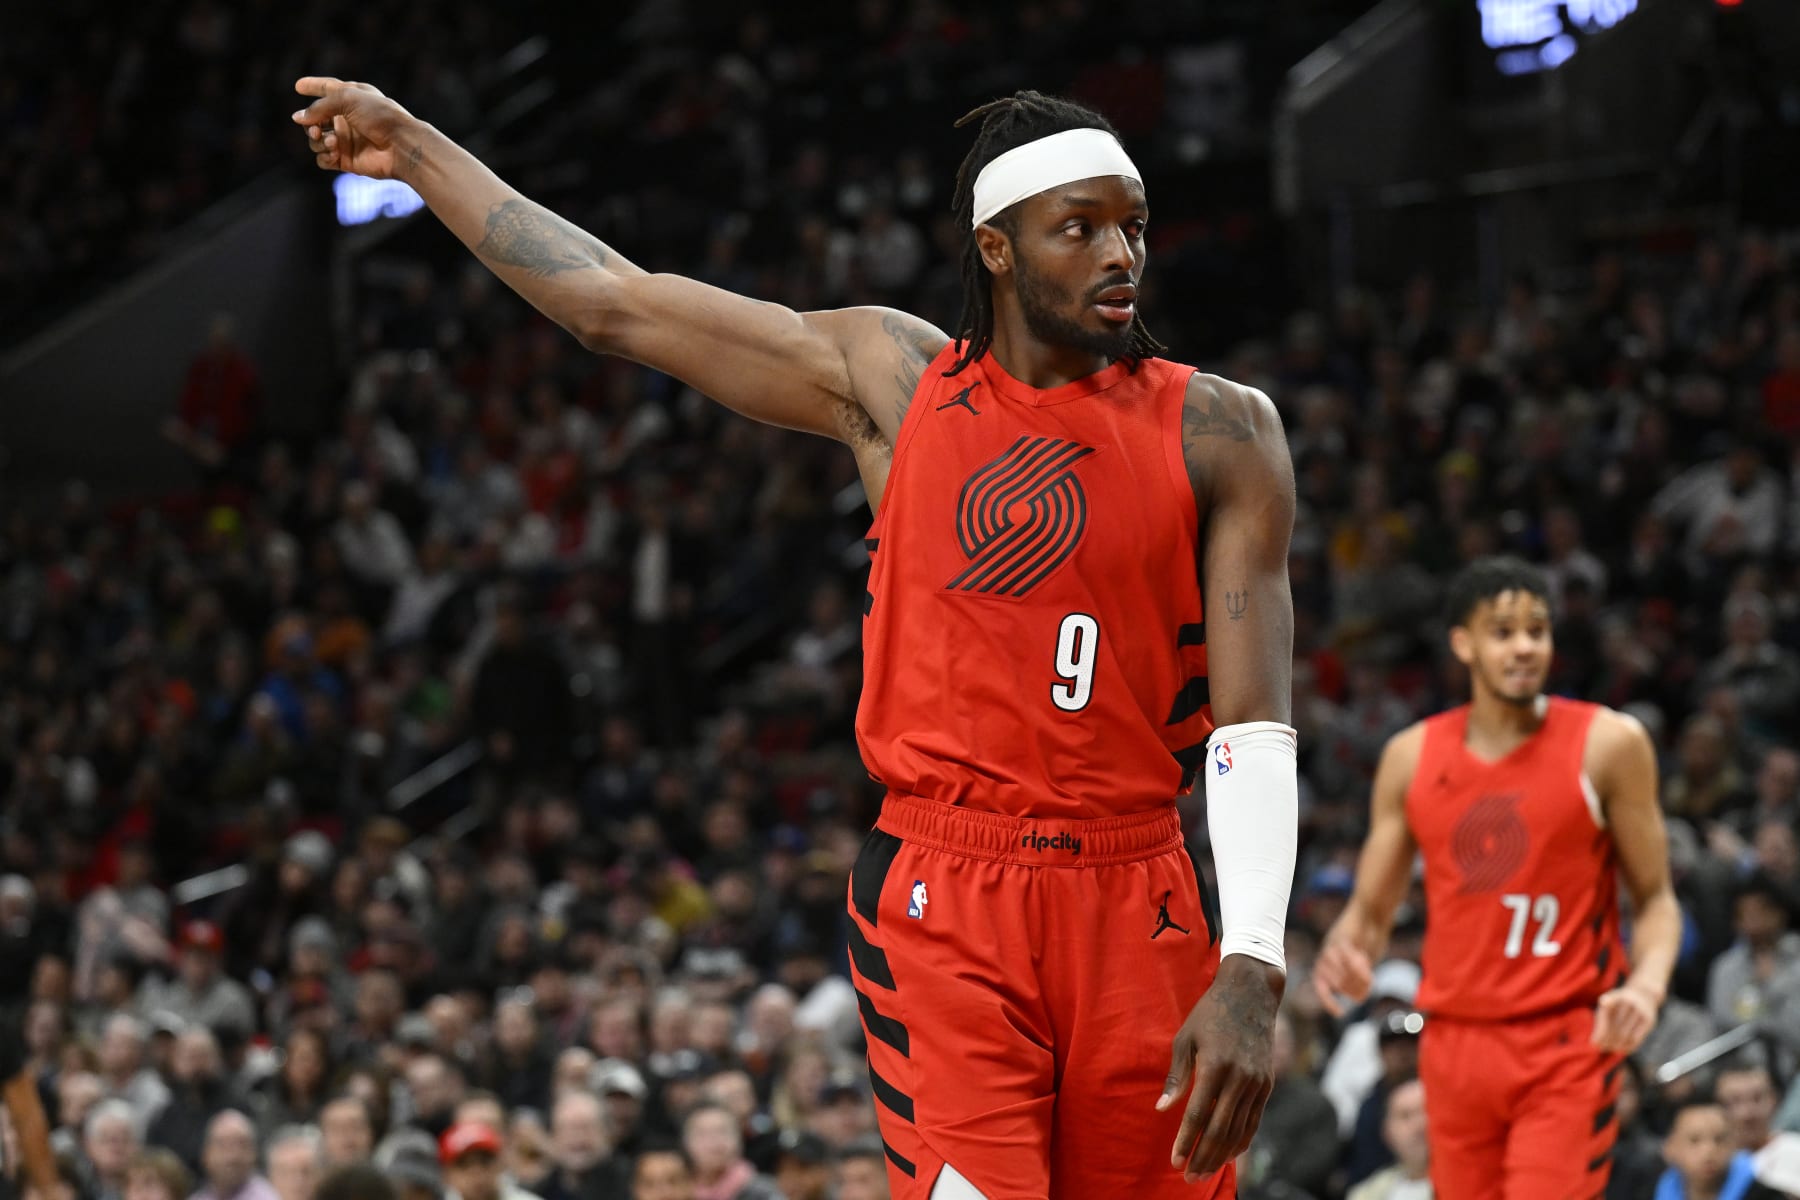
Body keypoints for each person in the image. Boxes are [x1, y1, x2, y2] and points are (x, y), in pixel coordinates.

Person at [293, 77, 1299, 1199]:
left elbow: (1254, 726)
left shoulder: (1223, 430)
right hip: (948, 890)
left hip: (1138, 890)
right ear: (998, 249)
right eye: (1081, 227)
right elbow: (616, 306)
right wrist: (420, 148)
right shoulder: (899, 380)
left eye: (1134, 225)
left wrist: (1253, 960)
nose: (1121, 253)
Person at [1315, 557, 1682, 1200]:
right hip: (1453, 1043)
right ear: (1463, 644)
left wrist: (1646, 989)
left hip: (1564, 1037)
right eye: (1503, 631)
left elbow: (1655, 900)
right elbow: (1369, 914)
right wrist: (1349, 951)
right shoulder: (1411, 756)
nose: (1524, 647)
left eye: (1537, 631)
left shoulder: (1608, 744)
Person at [1657, 1097, 1758, 1200]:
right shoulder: (1653, 1190)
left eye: (1719, 1139)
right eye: (1694, 1140)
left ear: (1735, 1144)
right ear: (1669, 1147)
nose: (1709, 1150)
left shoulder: (1761, 1190)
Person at [1345, 1079, 1431, 1200]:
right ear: (1387, 1134)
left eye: (1427, 1110)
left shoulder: (1462, 1185)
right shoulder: (1366, 1193)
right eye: (1405, 1116)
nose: (1419, 1124)